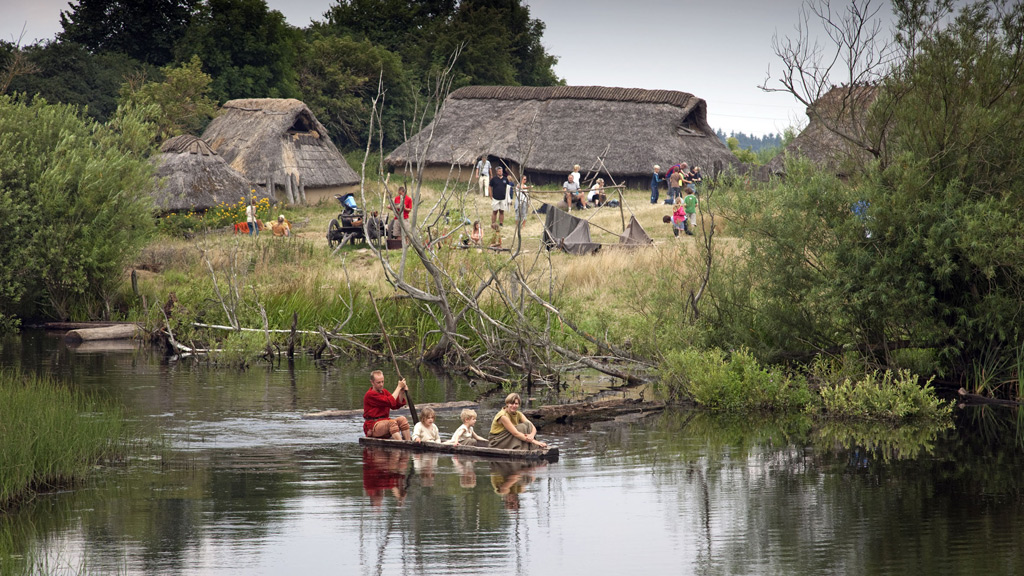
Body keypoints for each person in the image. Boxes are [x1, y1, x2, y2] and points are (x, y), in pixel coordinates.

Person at [362, 370, 411, 440]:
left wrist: (401, 392)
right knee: (392, 423)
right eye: (378, 382)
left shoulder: (384, 391)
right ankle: (401, 443)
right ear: (372, 382)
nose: (381, 384)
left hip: (385, 422)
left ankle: (408, 442)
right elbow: (389, 401)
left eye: (382, 382)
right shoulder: (370, 394)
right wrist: (399, 387)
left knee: (402, 419)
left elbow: (395, 405)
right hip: (373, 425)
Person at [487, 165, 509, 231]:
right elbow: (490, 187)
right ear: (497, 172)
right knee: (495, 211)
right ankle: (493, 223)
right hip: (495, 198)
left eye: (501, 171)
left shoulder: (505, 179)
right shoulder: (493, 179)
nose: (500, 172)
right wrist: (491, 195)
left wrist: (508, 197)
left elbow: (508, 188)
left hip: (503, 198)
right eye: (499, 171)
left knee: (502, 211)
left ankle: (501, 223)